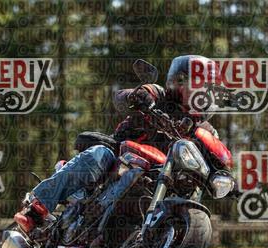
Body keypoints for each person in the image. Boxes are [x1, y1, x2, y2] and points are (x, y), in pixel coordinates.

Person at [14, 55, 220, 232]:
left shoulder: (206, 132)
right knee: (100, 155)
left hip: (158, 180)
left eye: (208, 89)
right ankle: (36, 209)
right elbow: (122, 97)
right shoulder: (158, 96)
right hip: (119, 158)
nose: (202, 94)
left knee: (188, 192)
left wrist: (226, 177)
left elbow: (217, 157)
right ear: (178, 82)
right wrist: (136, 96)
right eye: (198, 86)